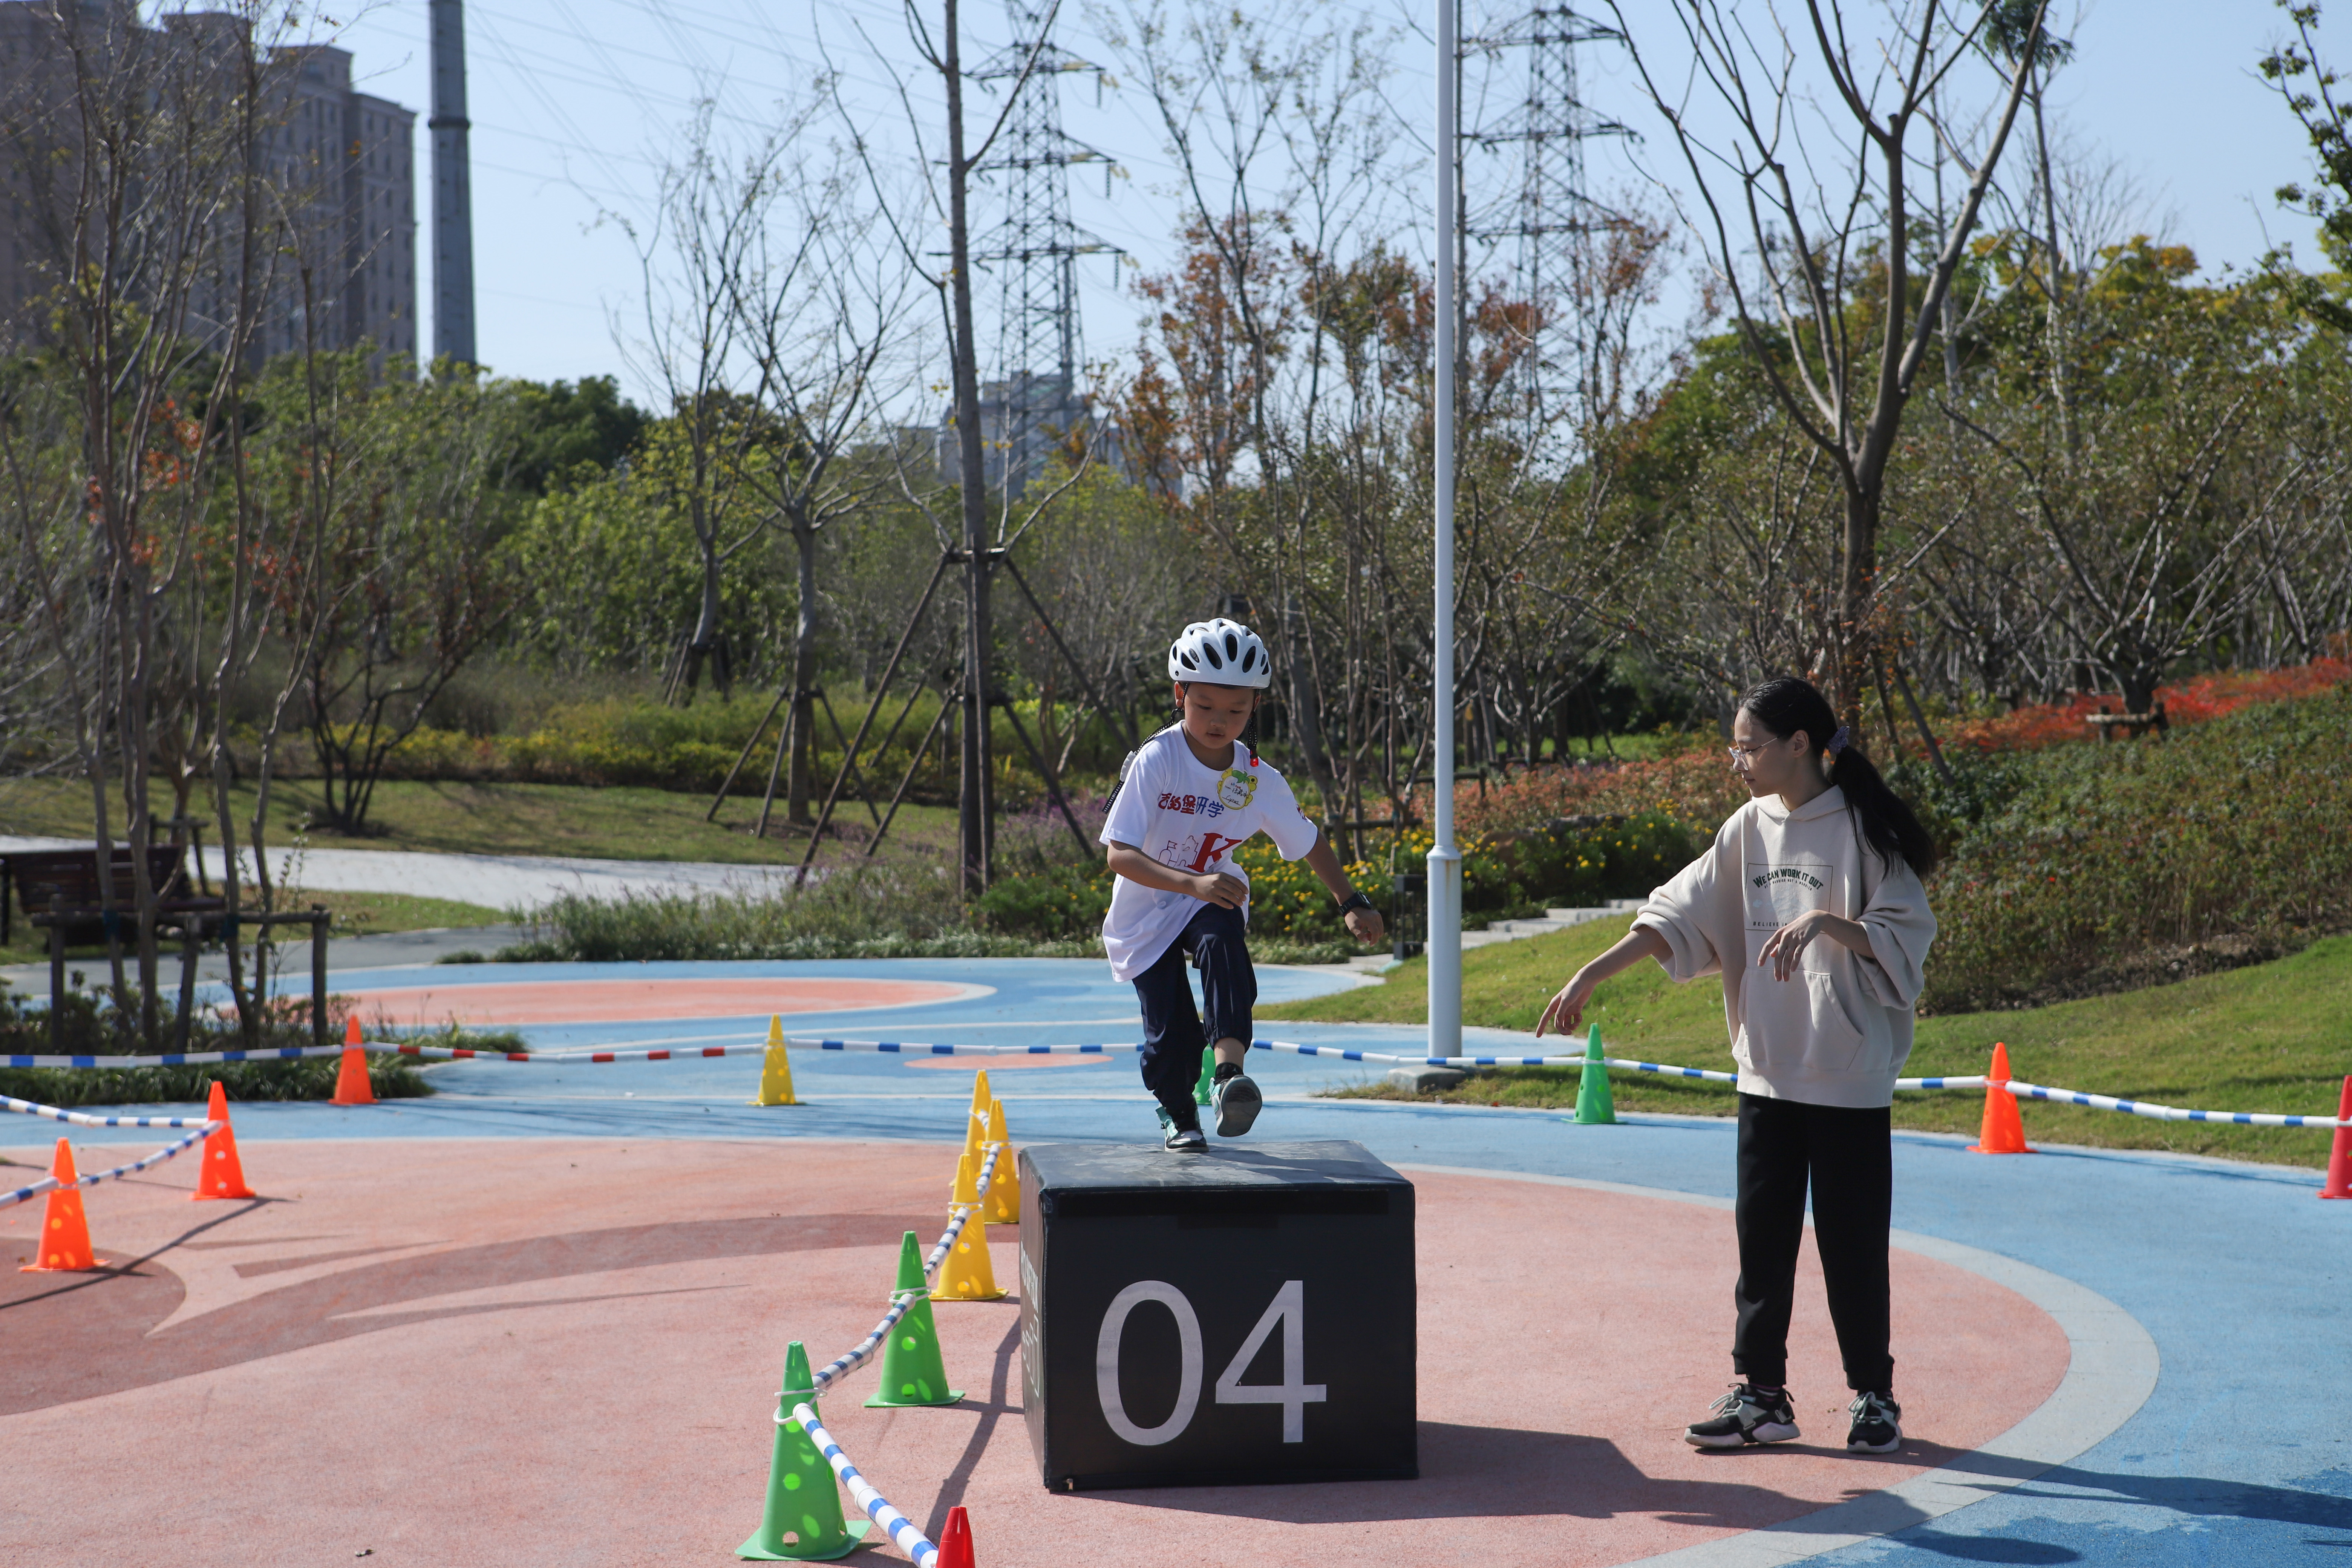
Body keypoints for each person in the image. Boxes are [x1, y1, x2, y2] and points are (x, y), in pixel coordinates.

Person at [1536, 675, 1937, 1455]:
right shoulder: (1746, 830)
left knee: (1853, 1244)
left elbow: (1904, 933)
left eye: (1749, 746)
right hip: (1767, 1071)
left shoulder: (1860, 829)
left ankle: (1874, 1397)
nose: (1738, 761)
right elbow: (1675, 916)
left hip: (1847, 1075)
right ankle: (1761, 1395)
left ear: (1799, 745)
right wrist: (1593, 971)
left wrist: (1828, 920)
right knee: (1762, 1242)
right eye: (1734, 747)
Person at [1100, 618, 1386, 1151]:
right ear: (1180, 694)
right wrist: (1192, 884)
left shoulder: (1257, 778)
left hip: (1212, 894)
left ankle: (1230, 1077)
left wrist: (1351, 900)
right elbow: (1119, 855)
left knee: (1222, 939)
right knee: (1173, 1036)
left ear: (1254, 707)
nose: (1218, 721)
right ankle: (1179, 1113)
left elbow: (1306, 841)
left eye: (1235, 710)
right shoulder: (1158, 760)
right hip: (1147, 910)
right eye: (1205, 705)